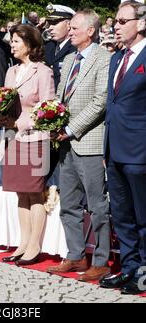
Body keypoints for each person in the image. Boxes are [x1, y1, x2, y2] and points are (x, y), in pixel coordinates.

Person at [46, 9, 111, 282]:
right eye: (69, 28)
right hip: (65, 144)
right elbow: (63, 100)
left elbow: (100, 101)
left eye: (74, 28)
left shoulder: (104, 58)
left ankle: (101, 260)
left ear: (90, 31)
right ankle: (75, 254)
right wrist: (51, 122)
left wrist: (71, 129)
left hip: (89, 142)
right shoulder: (70, 59)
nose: (69, 31)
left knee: (97, 206)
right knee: (68, 204)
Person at [0, 24, 55, 266]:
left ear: (30, 45)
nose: (12, 45)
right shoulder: (11, 72)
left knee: (34, 192)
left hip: (35, 138)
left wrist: (17, 122)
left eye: (17, 41)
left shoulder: (44, 72)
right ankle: (23, 242)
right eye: (11, 41)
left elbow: (47, 108)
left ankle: (34, 245)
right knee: (20, 193)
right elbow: (6, 100)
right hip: (14, 138)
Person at [99, 0, 146, 295]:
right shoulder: (117, 58)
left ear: (141, 23)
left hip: (140, 151)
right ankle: (129, 269)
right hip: (114, 149)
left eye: (121, 21)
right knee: (123, 216)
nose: (115, 25)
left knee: (143, 217)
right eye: (115, 21)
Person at [44, 5, 77, 189]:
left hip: (69, 120)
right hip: (48, 119)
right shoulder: (48, 47)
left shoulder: (75, 49)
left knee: (67, 177)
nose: (50, 26)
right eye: (49, 22)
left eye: (55, 22)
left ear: (69, 23)